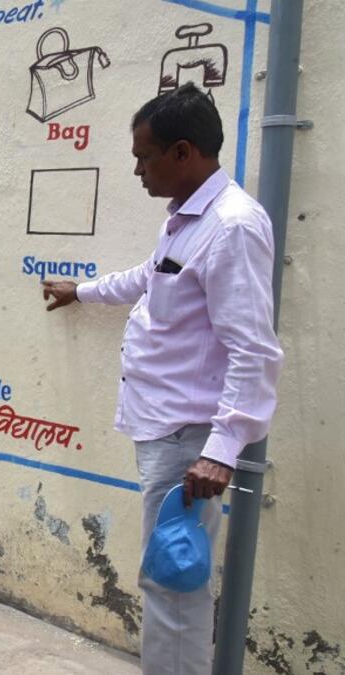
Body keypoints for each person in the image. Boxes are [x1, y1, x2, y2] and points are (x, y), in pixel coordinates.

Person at [40, 83, 283, 675]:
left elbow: (253, 350)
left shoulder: (231, 227)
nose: (136, 170)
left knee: (174, 585)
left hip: (189, 442)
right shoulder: (186, 219)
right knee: (169, 579)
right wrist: (85, 291)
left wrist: (221, 451)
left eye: (143, 157)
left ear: (182, 152)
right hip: (164, 430)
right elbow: (152, 277)